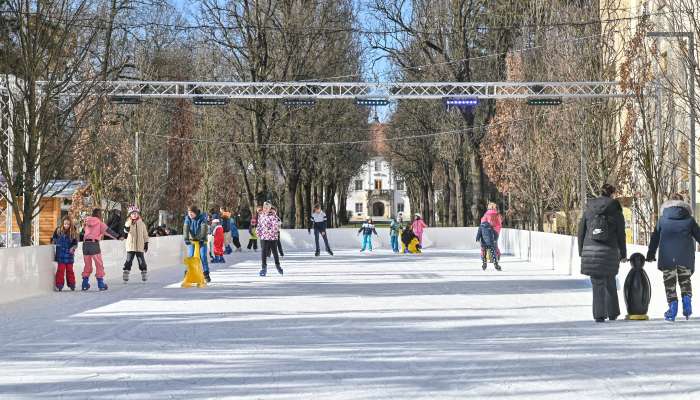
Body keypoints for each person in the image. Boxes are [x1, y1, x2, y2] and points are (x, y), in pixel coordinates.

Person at [578, 183, 627, 323]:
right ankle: (613, 313)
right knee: (610, 280)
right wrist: (623, 254)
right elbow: (621, 235)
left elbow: (581, 231)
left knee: (597, 283)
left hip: (590, 251)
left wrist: (582, 251)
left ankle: (599, 315)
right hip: (610, 251)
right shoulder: (616, 211)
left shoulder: (589, 209)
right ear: (612, 194)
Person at [646, 193, 700, 321]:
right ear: (684, 204)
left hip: (668, 257)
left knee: (670, 283)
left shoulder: (662, 220)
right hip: (685, 257)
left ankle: (672, 308)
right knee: (685, 281)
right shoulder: (690, 220)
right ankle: (687, 304)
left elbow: (655, 239)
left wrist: (650, 255)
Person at [81, 208, 120, 291]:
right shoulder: (99, 223)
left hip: (85, 245)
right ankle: (101, 284)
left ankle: (84, 283)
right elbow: (108, 231)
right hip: (94, 244)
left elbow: (83, 233)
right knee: (99, 264)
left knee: (87, 265)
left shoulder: (87, 222)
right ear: (99, 215)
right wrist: (118, 236)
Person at [183, 206, 211, 283]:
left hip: (202, 240)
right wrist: (186, 238)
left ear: (195, 212)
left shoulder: (202, 218)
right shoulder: (187, 218)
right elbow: (186, 228)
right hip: (191, 239)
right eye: (189, 213)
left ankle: (206, 274)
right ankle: (187, 273)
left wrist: (202, 238)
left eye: (191, 213)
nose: (190, 215)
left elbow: (204, 228)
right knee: (190, 256)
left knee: (203, 256)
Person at [122, 205, 150, 283]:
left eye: (136, 213)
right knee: (129, 260)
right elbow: (125, 230)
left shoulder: (142, 223)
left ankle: (144, 272)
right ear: (130, 215)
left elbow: (145, 234)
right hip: (130, 246)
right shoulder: (128, 222)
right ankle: (126, 272)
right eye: (132, 213)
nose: (134, 215)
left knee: (141, 261)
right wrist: (128, 224)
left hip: (140, 246)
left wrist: (146, 242)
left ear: (138, 214)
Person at [51, 217, 79, 291]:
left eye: (68, 224)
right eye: (65, 224)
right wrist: (53, 242)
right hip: (60, 255)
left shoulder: (73, 232)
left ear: (70, 224)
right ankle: (59, 284)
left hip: (69, 255)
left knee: (70, 270)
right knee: (60, 270)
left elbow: (75, 243)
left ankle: (72, 284)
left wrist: (73, 248)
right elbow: (53, 239)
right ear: (63, 223)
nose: (66, 225)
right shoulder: (58, 230)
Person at [257, 202, 282, 276]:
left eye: (267, 208)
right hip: (264, 237)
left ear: (269, 208)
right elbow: (259, 225)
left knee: (275, 252)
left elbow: (276, 225)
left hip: (272, 237)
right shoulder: (261, 215)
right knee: (263, 252)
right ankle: (263, 268)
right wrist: (258, 231)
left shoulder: (273, 216)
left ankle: (278, 266)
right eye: (264, 207)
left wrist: (270, 230)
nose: (265, 209)